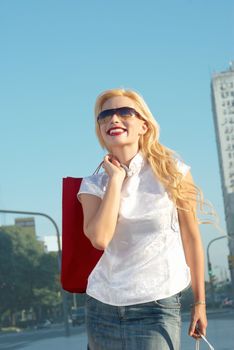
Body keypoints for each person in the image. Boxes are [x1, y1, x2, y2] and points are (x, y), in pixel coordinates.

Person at [77, 88, 208, 350]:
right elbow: (100, 238)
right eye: (105, 115)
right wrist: (115, 179)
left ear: (143, 126)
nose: (113, 119)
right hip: (102, 307)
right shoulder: (92, 184)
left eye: (124, 112)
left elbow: (191, 239)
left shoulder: (174, 174)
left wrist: (199, 303)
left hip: (157, 305)